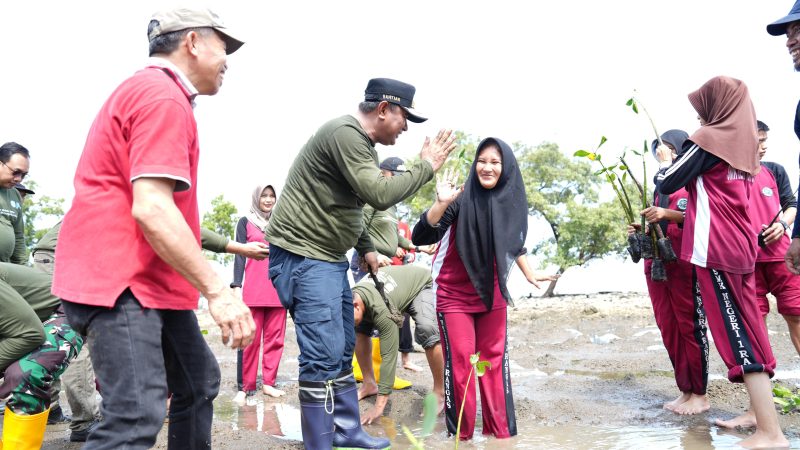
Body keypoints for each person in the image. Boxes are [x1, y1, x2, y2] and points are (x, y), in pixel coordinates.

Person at [50, 7, 255, 449]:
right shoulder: (160, 96)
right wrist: (219, 291)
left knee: (198, 381)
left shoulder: (157, 95)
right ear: (194, 42)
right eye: (224, 47)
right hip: (122, 282)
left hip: (150, 280)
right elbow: (153, 209)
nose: (228, 60)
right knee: (135, 416)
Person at [265, 77, 456, 450]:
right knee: (321, 353)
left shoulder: (362, 147)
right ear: (383, 109)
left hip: (328, 259)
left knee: (340, 349)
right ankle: (319, 442)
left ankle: (347, 430)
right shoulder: (346, 133)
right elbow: (378, 194)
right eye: (404, 118)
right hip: (304, 256)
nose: (405, 129)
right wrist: (426, 166)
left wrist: (367, 246)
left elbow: (352, 207)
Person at [658, 76, 788, 448]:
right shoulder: (744, 142)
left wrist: (667, 158)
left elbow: (668, 181)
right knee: (750, 331)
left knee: (739, 336)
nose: (700, 117)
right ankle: (761, 419)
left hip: (718, 251)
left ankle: (770, 432)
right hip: (741, 248)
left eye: (704, 108)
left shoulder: (710, 139)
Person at [411, 137, 557, 441]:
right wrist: (440, 204)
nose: (487, 167)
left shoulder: (511, 200)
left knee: (492, 366)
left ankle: (500, 436)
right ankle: (461, 438)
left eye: (495, 162)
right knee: (462, 364)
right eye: (482, 160)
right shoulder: (461, 199)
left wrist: (530, 275)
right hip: (454, 297)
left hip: (493, 295)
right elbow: (421, 235)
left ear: (505, 168)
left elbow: (514, 243)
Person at [0, 142, 83, 449]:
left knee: (36, 355)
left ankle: (43, 408)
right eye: (15, 171)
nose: (20, 179)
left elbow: (19, 244)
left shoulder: (12, 198)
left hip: (10, 280)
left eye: (24, 174)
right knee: (32, 334)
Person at [631, 130, 711, 415]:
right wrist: (642, 228)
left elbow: (701, 217)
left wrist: (667, 215)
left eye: (668, 149)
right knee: (668, 327)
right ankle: (685, 390)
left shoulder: (692, 180)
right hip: (657, 264)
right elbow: (659, 221)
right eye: (658, 150)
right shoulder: (659, 186)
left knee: (689, 326)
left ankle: (700, 394)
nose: (662, 154)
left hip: (683, 263)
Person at [350, 156, 435, 383]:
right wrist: (374, 254)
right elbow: (357, 228)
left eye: (400, 175)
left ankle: (378, 372)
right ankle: (371, 374)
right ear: (383, 172)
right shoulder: (371, 198)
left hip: (385, 265)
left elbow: (393, 236)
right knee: (369, 321)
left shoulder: (392, 206)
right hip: (366, 262)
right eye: (394, 174)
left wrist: (417, 247)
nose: (397, 179)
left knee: (385, 318)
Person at [351, 265, 444, 424]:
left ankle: (440, 391)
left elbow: (389, 355)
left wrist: (379, 407)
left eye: (348, 317)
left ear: (356, 306)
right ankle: (369, 383)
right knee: (359, 330)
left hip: (419, 285)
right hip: (395, 290)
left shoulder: (381, 310)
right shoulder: (352, 295)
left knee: (427, 329)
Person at [231, 184, 287, 404]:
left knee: (275, 339)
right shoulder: (245, 222)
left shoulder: (282, 221)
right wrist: (236, 285)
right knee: (249, 339)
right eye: (264, 195)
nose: (268, 199)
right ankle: (244, 387)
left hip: (277, 289)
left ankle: (269, 384)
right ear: (257, 198)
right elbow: (238, 255)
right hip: (253, 290)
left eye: (272, 196)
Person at [751, 121, 800, 354]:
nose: (764, 146)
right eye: (759, 140)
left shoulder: (775, 170)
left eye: (765, 140)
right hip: (747, 262)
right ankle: (764, 383)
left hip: (781, 257)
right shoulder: (725, 175)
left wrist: (781, 224)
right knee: (756, 320)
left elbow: (792, 204)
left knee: (796, 315)